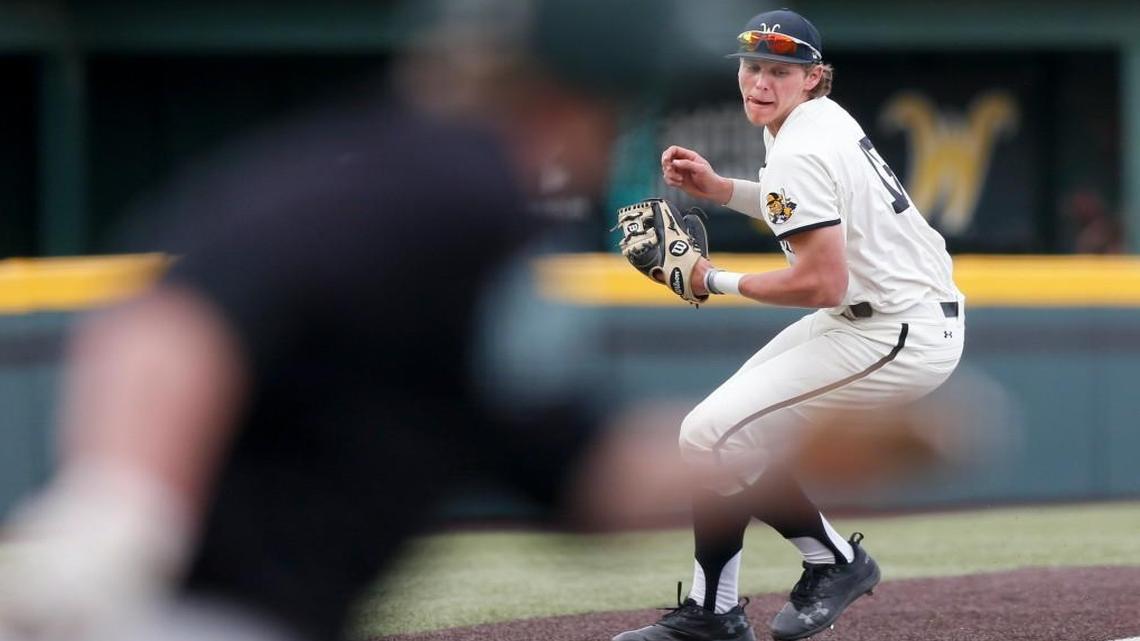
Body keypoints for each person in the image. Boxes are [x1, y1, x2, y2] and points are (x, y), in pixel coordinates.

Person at [0, 2, 701, 640]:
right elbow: (176, 320)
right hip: (185, 616)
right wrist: (121, 510)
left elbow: (592, 474)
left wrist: (786, 449)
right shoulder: (444, 177)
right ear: (576, 94)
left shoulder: (462, 215)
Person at [613, 8, 965, 641]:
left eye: (781, 69)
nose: (760, 82)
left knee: (710, 435)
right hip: (875, 317)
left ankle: (804, 575)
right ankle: (731, 604)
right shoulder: (810, 123)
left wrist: (710, 280)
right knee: (722, 439)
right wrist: (723, 190)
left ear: (814, 77)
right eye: (753, 67)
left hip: (896, 333)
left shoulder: (802, 141)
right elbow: (804, 204)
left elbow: (820, 282)